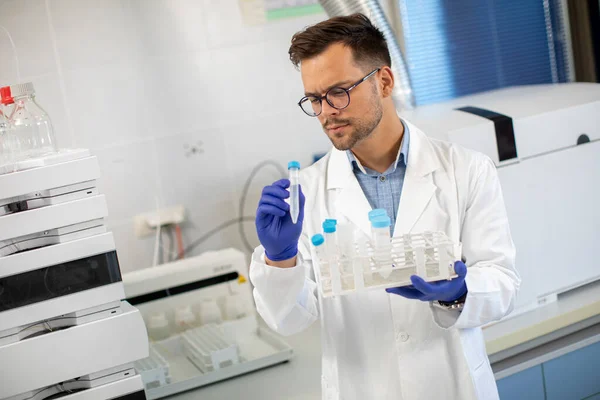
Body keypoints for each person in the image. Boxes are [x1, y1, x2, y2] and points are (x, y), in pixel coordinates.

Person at [249, 13, 520, 400]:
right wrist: (280, 260)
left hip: (451, 386)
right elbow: (290, 321)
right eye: (314, 99)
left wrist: (460, 291)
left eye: (339, 91)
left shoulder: (466, 170)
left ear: (385, 81)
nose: (326, 111)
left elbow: (504, 283)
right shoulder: (306, 193)